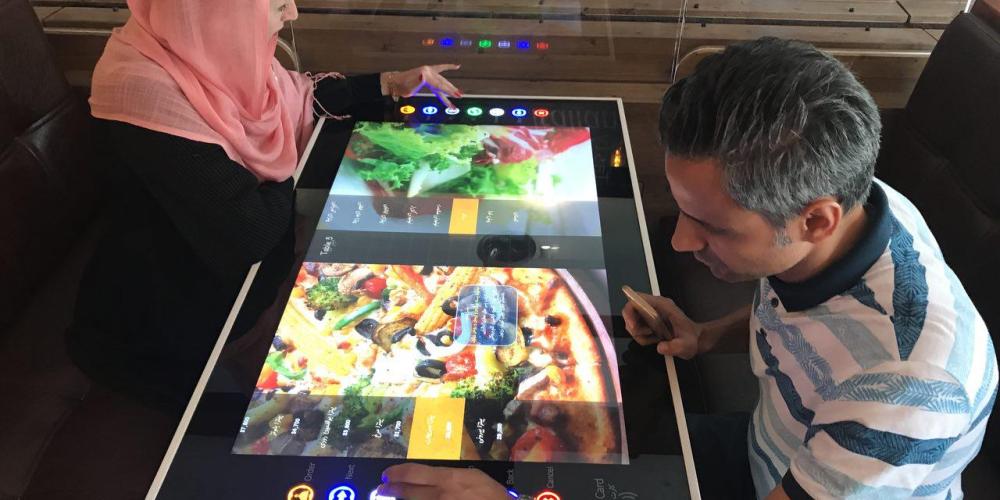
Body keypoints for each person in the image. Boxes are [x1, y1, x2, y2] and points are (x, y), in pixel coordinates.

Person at [375, 37, 998, 500]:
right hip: (766, 443)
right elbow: (805, 317)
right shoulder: (862, 205)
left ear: (815, 220)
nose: (678, 241)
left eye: (713, 226)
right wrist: (706, 335)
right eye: (683, 210)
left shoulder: (906, 389)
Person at [68, 0, 462, 413]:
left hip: (253, 277)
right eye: (276, 3)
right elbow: (251, 232)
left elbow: (295, 99)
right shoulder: (146, 96)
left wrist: (388, 83)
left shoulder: (196, 43)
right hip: (179, 327)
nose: (292, 13)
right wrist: (289, 159)